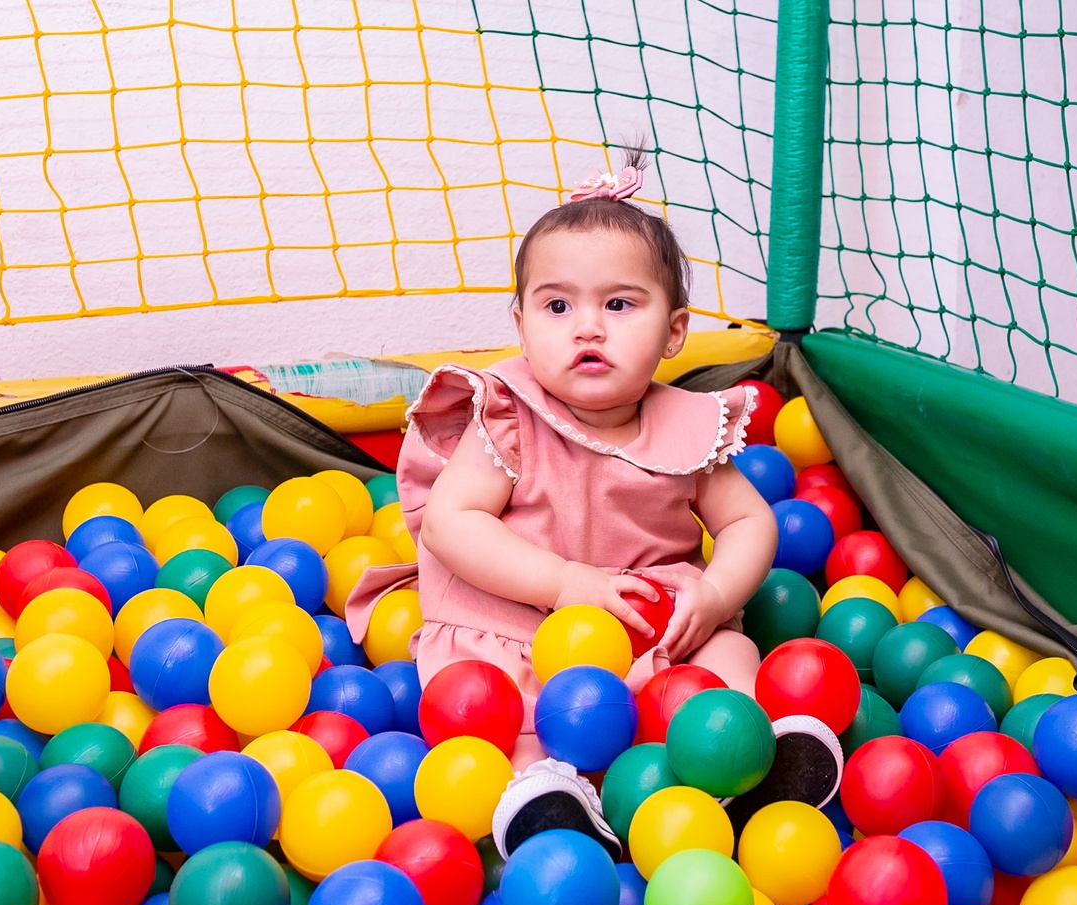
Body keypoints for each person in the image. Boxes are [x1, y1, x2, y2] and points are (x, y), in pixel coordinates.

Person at [346, 150, 841, 860]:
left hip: (653, 624)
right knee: (496, 703)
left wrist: (715, 594)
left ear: (674, 332)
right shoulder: (508, 417)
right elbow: (453, 524)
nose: (588, 328)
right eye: (558, 306)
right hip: (521, 622)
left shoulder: (688, 426)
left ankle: (743, 763)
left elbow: (749, 521)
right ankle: (542, 794)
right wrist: (563, 583)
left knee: (730, 651)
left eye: (619, 305)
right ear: (522, 325)